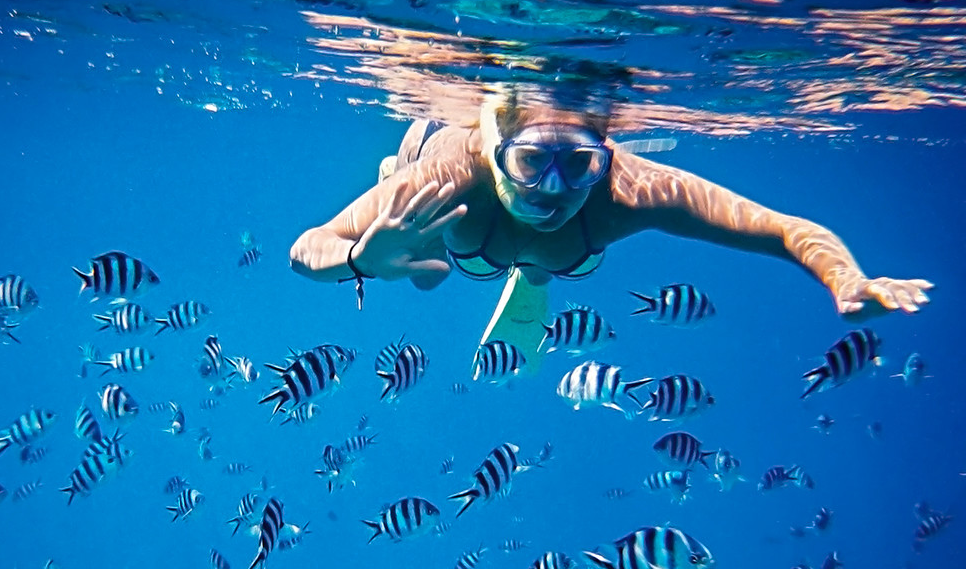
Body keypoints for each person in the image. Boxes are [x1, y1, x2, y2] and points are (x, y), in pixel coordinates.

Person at [289, 87, 933, 366]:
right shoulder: (448, 178)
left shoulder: (628, 190)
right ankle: (400, 180)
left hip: (544, 248)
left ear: (606, 152)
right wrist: (358, 261)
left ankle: (530, 272)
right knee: (427, 262)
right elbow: (305, 248)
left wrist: (847, 278)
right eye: (531, 160)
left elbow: (783, 229)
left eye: (579, 164)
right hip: (453, 224)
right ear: (493, 149)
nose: (554, 188)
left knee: (552, 254)